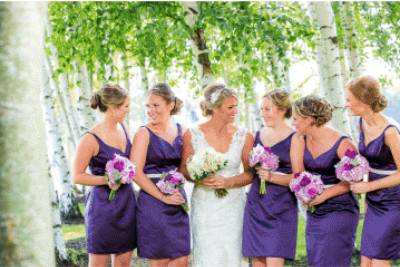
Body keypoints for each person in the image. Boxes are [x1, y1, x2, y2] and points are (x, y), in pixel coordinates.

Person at [181, 83, 253, 267]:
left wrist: (228, 182)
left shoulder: (244, 135)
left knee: (233, 253)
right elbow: (184, 170)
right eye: (230, 107)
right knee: (207, 253)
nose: (235, 111)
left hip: (233, 206)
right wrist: (198, 177)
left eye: (236, 106)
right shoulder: (193, 134)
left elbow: (250, 174)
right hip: (205, 205)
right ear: (215, 108)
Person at [291, 95, 359, 267]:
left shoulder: (344, 143)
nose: (293, 123)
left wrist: (325, 195)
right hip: (315, 209)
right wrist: (306, 195)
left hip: (340, 206)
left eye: (295, 119)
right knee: (316, 259)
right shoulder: (299, 139)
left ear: (309, 119)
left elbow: (355, 179)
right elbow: (298, 175)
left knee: (330, 260)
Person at [72, 84, 136, 267]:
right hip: (102, 207)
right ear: (113, 108)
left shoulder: (123, 128)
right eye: (125, 106)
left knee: (123, 263)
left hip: (127, 203)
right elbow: (77, 176)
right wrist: (106, 180)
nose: (128, 110)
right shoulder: (90, 138)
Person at [130, 83, 190, 267]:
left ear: (170, 105)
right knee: (161, 261)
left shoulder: (184, 131)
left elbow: (185, 168)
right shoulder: (144, 133)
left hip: (177, 198)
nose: (150, 110)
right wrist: (163, 197)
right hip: (153, 201)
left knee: (182, 259)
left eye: (155, 105)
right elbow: (135, 173)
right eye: (148, 106)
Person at [345, 75, 400, 267]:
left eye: (349, 100)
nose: (346, 105)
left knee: (378, 259)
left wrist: (368, 186)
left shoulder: (391, 131)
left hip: (393, 200)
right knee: (365, 259)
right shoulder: (361, 123)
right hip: (373, 200)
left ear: (363, 102)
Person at [242, 90, 298, 267]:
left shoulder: (295, 137)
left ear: (282, 109)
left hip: (281, 206)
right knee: (258, 261)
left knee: (275, 258)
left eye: (267, 109)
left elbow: (299, 177)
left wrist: (272, 177)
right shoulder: (257, 135)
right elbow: (249, 170)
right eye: (262, 109)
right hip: (256, 203)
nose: (263, 113)